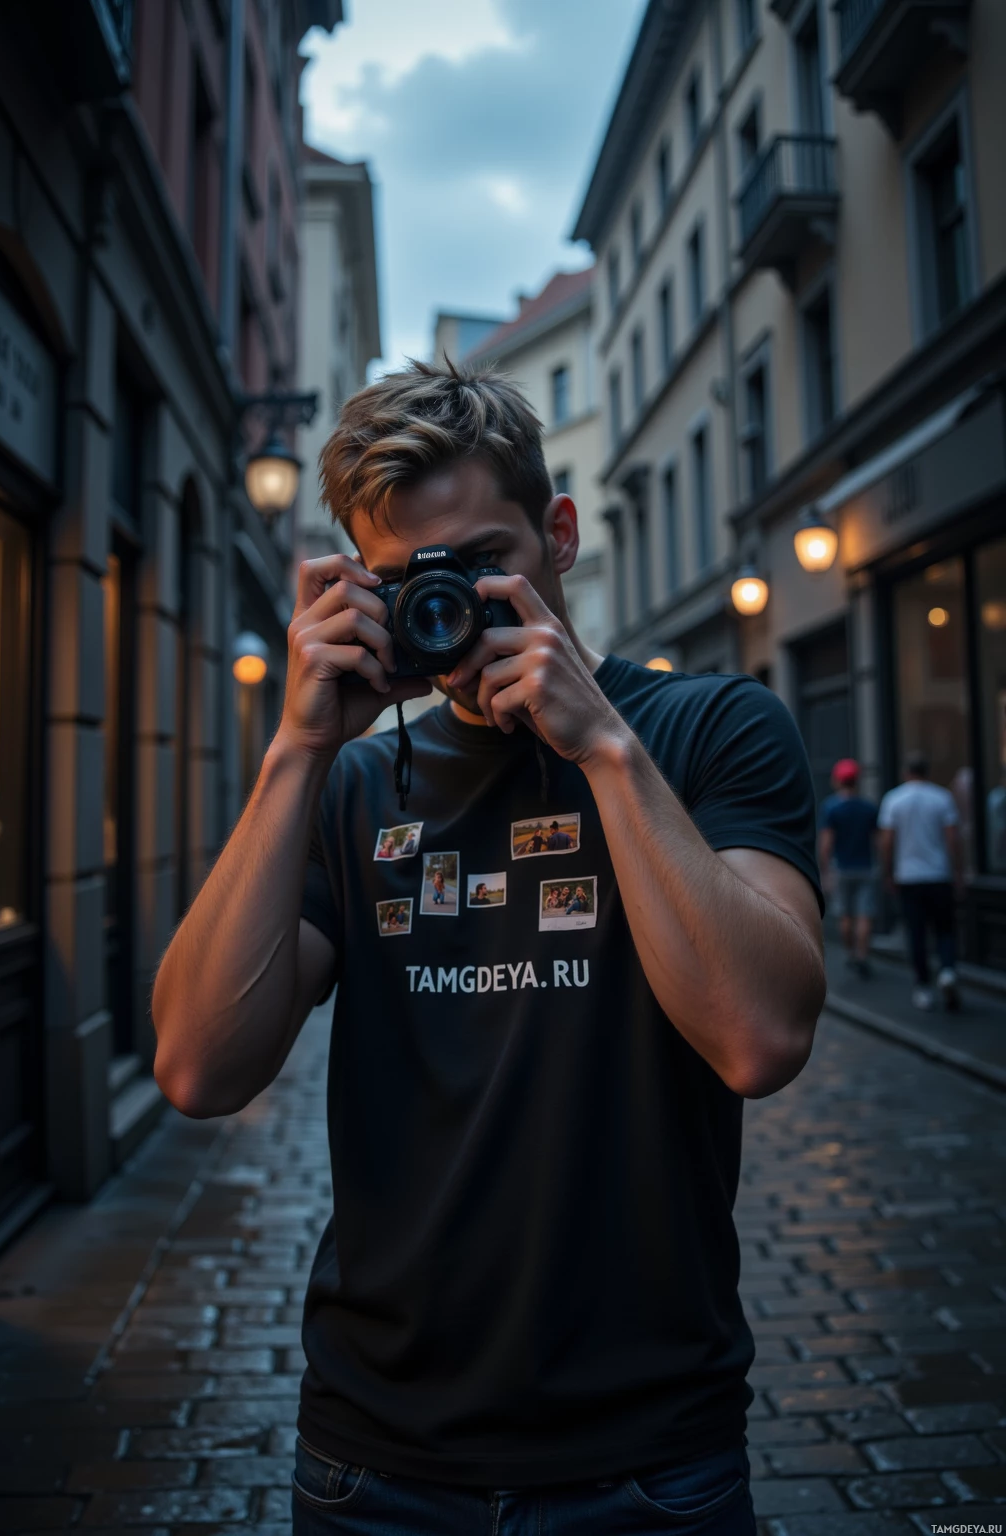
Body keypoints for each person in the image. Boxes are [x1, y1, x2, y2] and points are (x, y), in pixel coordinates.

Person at [151, 360, 825, 1536]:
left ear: (560, 533)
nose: (452, 608)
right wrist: (295, 753)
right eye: (416, 583)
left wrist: (602, 749)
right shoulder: (354, 785)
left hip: (650, 1458)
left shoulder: (708, 731)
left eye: (487, 561)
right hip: (373, 1462)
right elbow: (200, 1069)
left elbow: (759, 1039)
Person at [878, 749, 963, 1011]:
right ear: (927, 772)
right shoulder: (942, 797)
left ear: (906, 772)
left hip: (909, 876)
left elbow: (887, 841)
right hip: (938, 874)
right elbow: (952, 838)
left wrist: (888, 872)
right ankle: (947, 971)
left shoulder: (894, 799)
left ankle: (923, 987)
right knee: (945, 929)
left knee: (916, 933)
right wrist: (957, 871)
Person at [818, 758, 879, 978]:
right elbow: (878, 840)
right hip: (866, 867)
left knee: (844, 915)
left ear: (837, 780)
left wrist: (825, 870)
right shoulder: (868, 808)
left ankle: (851, 953)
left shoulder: (831, 808)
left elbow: (826, 844)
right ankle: (863, 956)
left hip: (841, 868)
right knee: (864, 915)